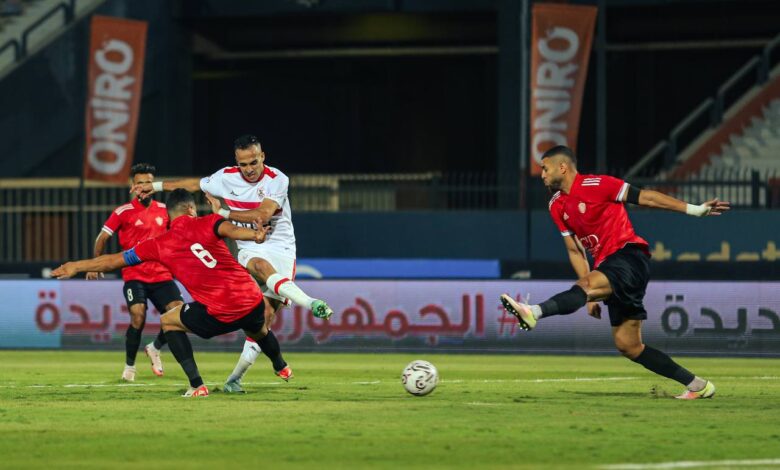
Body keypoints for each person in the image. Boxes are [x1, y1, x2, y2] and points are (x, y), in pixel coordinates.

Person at [500, 145, 730, 400]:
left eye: (545, 168)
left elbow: (648, 197)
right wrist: (590, 295)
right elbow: (575, 251)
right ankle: (698, 385)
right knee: (628, 345)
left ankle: (534, 312)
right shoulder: (556, 205)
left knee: (587, 289)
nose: (541, 174)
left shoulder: (598, 184)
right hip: (607, 268)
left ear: (562, 167)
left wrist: (695, 209)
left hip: (629, 256)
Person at [52, 189, 316, 397]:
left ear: (168, 217)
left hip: (219, 312)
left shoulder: (157, 244)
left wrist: (76, 266)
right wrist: (255, 236)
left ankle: (196, 385)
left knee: (168, 321)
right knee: (258, 331)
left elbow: (114, 260)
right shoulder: (210, 222)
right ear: (191, 208)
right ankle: (281, 365)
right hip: (251, 300)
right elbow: (232, 230)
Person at [130, 135, 333, 393]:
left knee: (265, 319)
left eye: (253, 162)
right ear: (236, 162)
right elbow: (196, 184)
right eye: (243, 164)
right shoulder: (226, 176)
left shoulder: (278, 180)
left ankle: (235, 378)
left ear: (263, 157)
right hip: (250, 244)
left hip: (281, 246)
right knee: (258, 265)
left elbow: (262, 215)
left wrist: (222, 213)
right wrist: (156, 186)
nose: (248, 169)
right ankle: (311, 303)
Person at [87, 163, 184, 382]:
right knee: (138, 315)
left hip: (162, 274)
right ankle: (129, 367)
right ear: (133, 186)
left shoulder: (164, 210)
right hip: (135, 275)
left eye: (148, 182)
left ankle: (155, 347)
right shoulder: (123, 212)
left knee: (179, 314)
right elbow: (102, 238)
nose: (144, 186)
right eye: (139, 182)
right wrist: (95, 264)